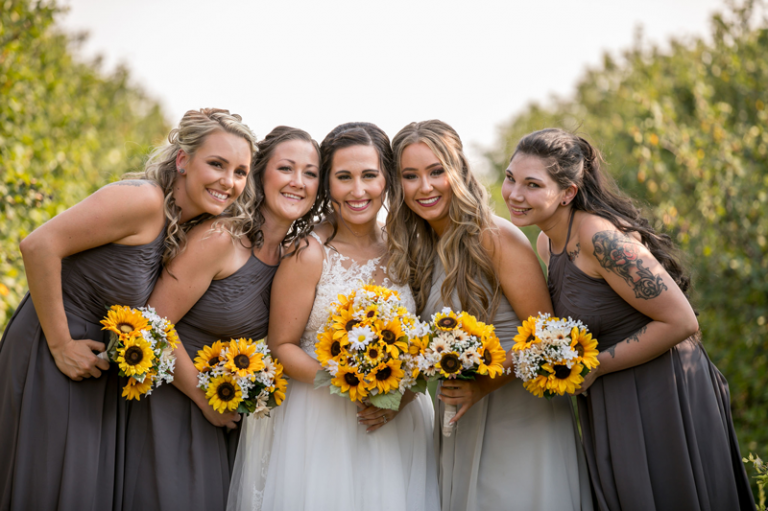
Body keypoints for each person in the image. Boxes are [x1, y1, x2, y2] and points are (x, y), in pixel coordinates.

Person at [0, 108, 257, 511]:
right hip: (54, 346)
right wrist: (61, 343)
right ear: (183, 160)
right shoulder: (143, 199)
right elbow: (39, 245)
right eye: (217, 164)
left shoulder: (187, 226)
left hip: (96, 361)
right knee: (48, 482)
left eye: (240, 172)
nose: (229, 181)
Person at [503, 127, 756, 511]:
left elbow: (682, 321)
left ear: (568, 192)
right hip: (610, 393)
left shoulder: (600, 238)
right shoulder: (546, 242)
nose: (515, 194)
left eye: (533, 184)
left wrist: (594, 367)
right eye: (510, 178)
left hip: (663, 389)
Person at [228, 122, 439, 511]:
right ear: (328, 185)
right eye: (344, 177)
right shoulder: (309, 252)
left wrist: (402, 396)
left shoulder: (408, 249)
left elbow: (424, 345)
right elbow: (282, 345)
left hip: (396, 421)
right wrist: (348, 384)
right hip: (320, 421)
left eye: (369, 176)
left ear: (386, 180)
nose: (358, 191)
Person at [387, 120, 593, 511]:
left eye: (436, 171)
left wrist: (484, 384)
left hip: (519, 417)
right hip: (461, 418)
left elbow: (550, 339)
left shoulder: (494, 237)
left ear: (459, 171)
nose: (424, 187)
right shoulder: (420, 249)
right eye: (410, 176)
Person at [122, 126, 322, 511]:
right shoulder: (221, 238)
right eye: (286, 169)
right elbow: (153, 320)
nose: (298, 182)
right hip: (174, 406)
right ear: (260, 174)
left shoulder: (294, 257)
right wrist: (202, 395)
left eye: (310, 173)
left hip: (228, 417)